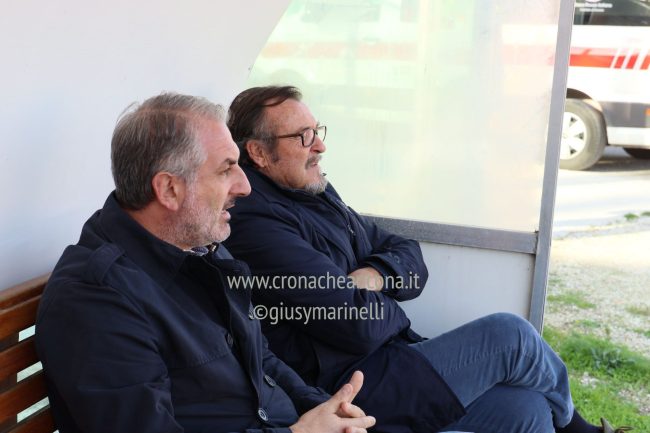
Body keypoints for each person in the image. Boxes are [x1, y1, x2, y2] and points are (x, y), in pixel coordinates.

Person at [224, 85, 630, 433]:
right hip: (353, 387)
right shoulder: (255, 221)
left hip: (392, 358)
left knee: (527, 409)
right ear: (258, 153)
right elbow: (357, 325)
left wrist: (376, 275)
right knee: (512, 337)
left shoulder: (313, 191)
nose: (320, 145)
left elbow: (406, 251)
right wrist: (377, 301)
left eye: (317, 130)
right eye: (303, 136)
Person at [34, 93, 377, 433]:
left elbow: (260, 358)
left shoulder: (200, 248)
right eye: (226, 169)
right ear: (169, 190)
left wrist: (324, 408)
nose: (245, 186)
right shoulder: (96, 300)